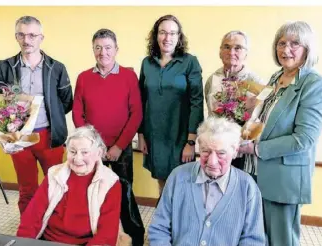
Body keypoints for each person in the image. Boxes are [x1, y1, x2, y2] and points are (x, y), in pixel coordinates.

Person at [239, 21, 322, 246]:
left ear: (308, 49)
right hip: (255, 170)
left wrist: (256, 148)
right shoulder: (276, 77)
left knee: (282, 240)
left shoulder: (315, 85)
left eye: (295, 43)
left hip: (283, 176)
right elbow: (266, 119)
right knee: (258, 237)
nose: (285, 49)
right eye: (281, 43)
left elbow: (304, 139)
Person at [72, 29, 145, 245]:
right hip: (92, 148)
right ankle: (95, 235)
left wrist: (119, 146)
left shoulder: (128, 76)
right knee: (91, 191)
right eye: (98, 47)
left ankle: (135, 237)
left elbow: (136, 114)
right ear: (93, 49)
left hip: (120, 148)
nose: (103, 52)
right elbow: (78, 113)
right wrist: (92, 145)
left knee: (124, 192)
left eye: (108, 47)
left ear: (116, 50)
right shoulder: (84, 77)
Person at [0, 16, 73, 214]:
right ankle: (29, 235)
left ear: (41, 38)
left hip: (50, 137)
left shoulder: (57, 67)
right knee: (26, 189)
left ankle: (54, 230)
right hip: (19, 138)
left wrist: (50, 118)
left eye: (32, 35)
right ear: (16, 37)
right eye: (21, 34)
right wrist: (6, 137)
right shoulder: (4, 67)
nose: (26, 40)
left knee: (55, 187)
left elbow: (66, 102)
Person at [148, 117, 265, 246]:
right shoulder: (178, 177)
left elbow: (253, 240)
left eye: (221, 153)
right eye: (206, 151)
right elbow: (159, 229)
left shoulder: (248, 187)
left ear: (235, 152)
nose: (212, 162)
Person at [17, 125, 124, 246]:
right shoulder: (54, 174)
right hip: (50, 240)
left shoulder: (110, 181)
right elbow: (32, 216)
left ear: (98, 152)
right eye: (72, 151)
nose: (77, 159)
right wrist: (22, 242)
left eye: (85, 152)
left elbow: (107, 233)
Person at [138, 14, 204, 195]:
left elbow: (197, 102)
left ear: (179, 37)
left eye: (173, 33)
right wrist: (141, 135)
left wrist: (191, 141)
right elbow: (141, 101)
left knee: (181, 184)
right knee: (162, 184)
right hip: (154, 135)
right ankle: (164, 221)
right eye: (163, 33)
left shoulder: (190, 62)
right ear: (155, 36)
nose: (167, 38)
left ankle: (179, 222)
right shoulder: (147, 63)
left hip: (179, 135)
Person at [204, 30, 264, 174]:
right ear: (220, 52)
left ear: (246, 54)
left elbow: (261, 120)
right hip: (217, 151)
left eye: (238, 48)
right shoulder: (212, 80)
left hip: (244, 152)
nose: (231, 52)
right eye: (227, 47)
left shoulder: (256, 83)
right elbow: (211, 115)